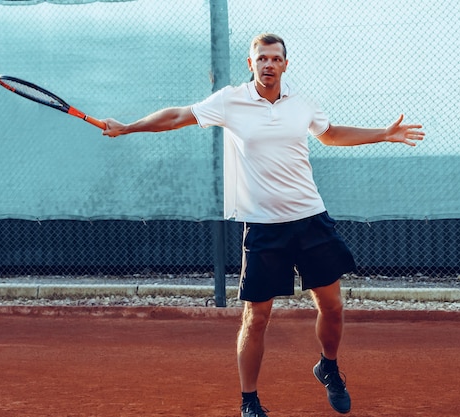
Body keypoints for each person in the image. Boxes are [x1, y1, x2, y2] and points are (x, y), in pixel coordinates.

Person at [102, 33, 424, 417]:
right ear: (250, 64)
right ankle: (249, 402)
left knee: (333, 306)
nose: (268, 64)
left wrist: (384, 134)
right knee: (256, 317)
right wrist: (128, 127)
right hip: (263, 227)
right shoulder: (230, 101)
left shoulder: (301, 104)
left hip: (310, 220)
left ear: (286, 64)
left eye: (275, 58)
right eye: (261, 58)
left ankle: (329, 367)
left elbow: (332, 134)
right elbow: (177, 116)